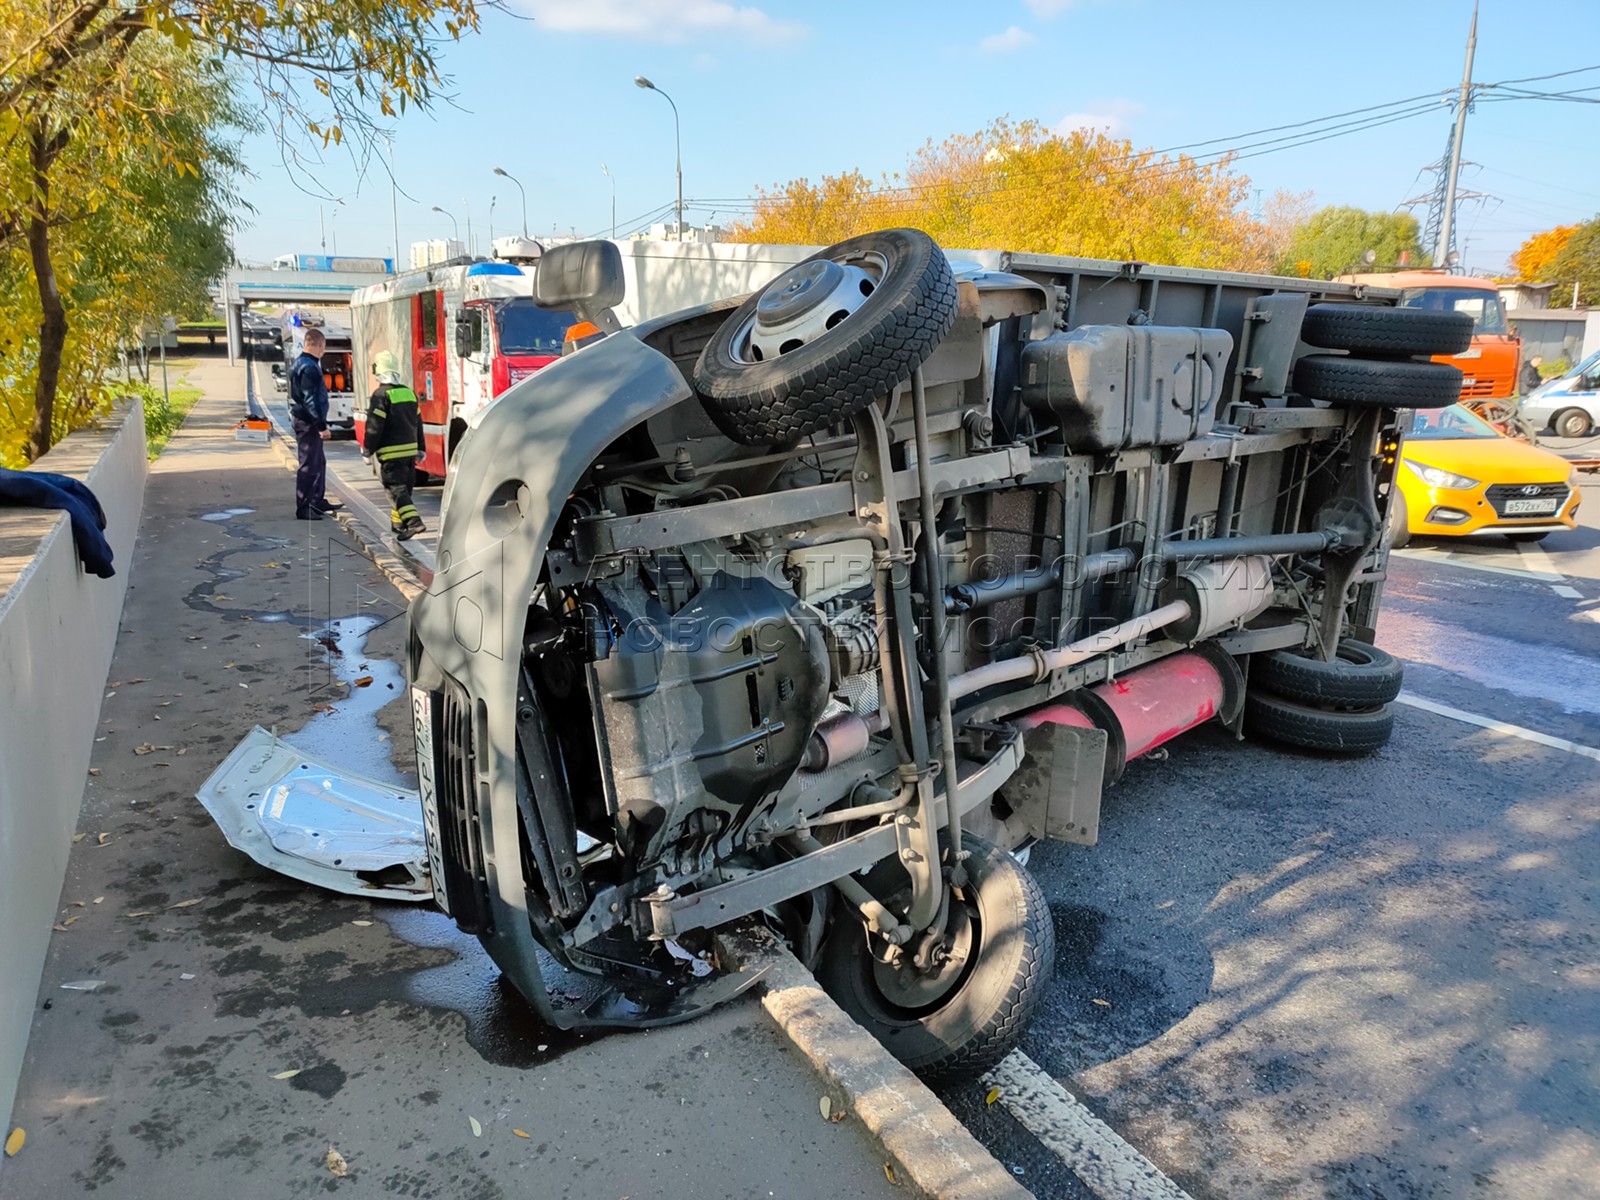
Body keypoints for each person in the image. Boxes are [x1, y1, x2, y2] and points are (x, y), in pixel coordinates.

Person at [363, 350, 426, 540]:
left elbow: (374, 426)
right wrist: (421, 448)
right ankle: (398, 524)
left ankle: (414, 523)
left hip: (391, 455)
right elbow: (418, 423)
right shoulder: (408, 393)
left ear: (378, 371)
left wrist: (368, 450)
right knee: (404, 490)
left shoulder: (380, 395)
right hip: (409, 454)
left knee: (395, 490)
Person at [288, 328, 343, 520]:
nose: (323, 351)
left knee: (318, 462)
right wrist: (321, 426)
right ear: (320, 345)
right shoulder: (309, 367)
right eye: (324, 347)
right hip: (308, 422)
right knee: (310, 464)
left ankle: (317, 501)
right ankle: (305, 506)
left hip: (305, 419)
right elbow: (310, 399)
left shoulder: (301, 363)